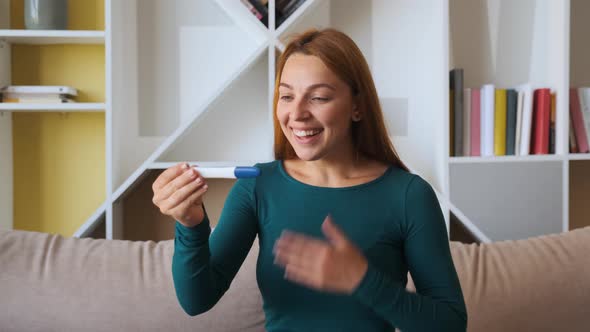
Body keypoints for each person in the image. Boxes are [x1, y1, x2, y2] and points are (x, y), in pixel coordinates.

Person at [152, 28, 467, 331]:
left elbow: (450, 323)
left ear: (357, 106)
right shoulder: (258, 186)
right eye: (287, 96)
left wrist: (363, 281)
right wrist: (190, 224)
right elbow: (197, 300)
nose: (297, 113)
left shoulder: (409, 196)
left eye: (318, 97)